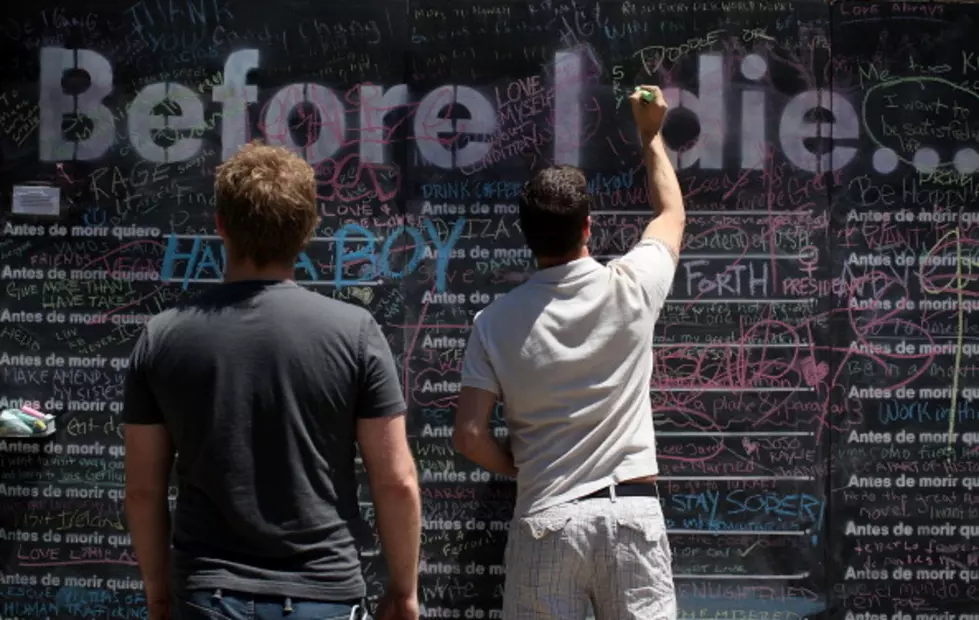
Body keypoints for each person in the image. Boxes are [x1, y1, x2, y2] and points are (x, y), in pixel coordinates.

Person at [122, 142, 421, 620]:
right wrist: (403, 592)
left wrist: (159, 595)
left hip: (207, 596)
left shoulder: (163, 336)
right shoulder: (355, 332)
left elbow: (142, 490)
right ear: (306, 231)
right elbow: (396, 481)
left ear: (220, 226)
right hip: (324, 594)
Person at [452, 85, 684, 619]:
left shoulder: (493, 323)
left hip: (546, 514)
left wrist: (527, 466)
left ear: (527, 236)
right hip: (631, 512)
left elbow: (468, 436)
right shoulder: (632, 286)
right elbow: (671, 213)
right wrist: (650, 134)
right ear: (587, 226)